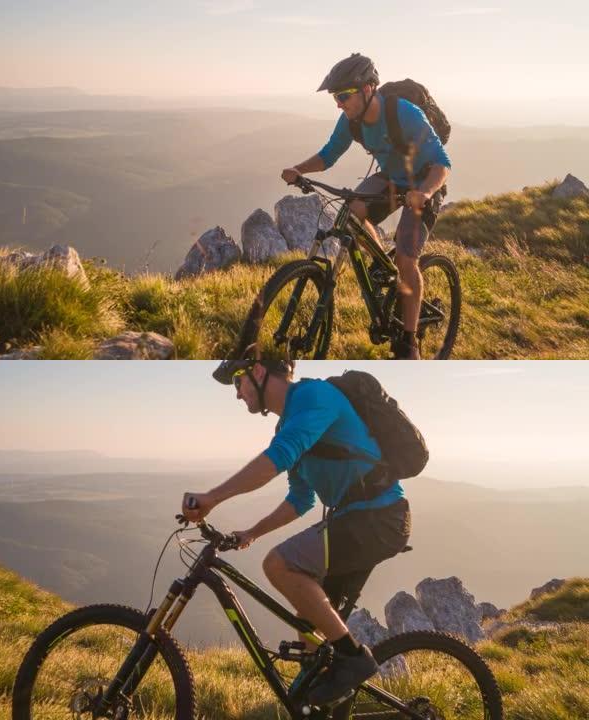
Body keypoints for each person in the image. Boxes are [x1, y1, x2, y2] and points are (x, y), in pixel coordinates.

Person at [182, 354, 411, 706]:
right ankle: (318, 698)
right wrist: (252, 532)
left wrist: (212, 497)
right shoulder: (291, 420)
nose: (238, 394)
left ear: (258, 372)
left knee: (279, 564)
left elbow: (277, 457)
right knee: (309, 641)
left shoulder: (314, 398)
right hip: (356, 520)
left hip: (378, 517)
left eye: (238, 383)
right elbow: (300, 498)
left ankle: (353, 658)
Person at [280, 53, 451, 359]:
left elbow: (442, 164)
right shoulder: (351, 121)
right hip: (390, 179)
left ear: (368, 88)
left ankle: (409, 341)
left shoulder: (405, 114)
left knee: (406, 260)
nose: (338, 103)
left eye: (344, 95)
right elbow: (328, 154)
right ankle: (380, 266)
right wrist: (299, 169)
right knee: (351, 212)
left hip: (424, 182)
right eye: (336, 96)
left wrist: (424, 193)